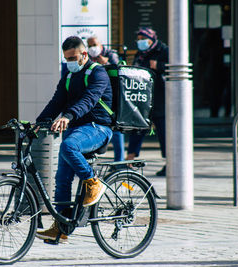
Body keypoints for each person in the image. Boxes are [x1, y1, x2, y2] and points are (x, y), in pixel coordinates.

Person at [35, 36, 113, 242]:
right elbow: (56, 101)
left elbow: (89, 100)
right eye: (66, 58)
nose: (69, 61)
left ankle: (92, 182)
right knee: (61, 180)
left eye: (72, 57)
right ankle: (61, 228)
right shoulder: (68, 76)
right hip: (77, 130)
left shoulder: (98, 73)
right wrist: (39, 122)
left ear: (84, 55)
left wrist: (68, 116)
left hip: (98, 128)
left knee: (69, 145)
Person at [126, 27, 168, 176]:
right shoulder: (141, 54)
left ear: (151, 39)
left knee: (164, 132)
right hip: (144, 99)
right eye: (138, 40)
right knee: (137, 128)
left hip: (162, 98)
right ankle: (129, 160)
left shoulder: (164, 50)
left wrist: (159, 66)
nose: (140, 42)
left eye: (142, 39)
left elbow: (175, 68)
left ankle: (169, 163)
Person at [87, 36, 125, 162]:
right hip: (98, 96)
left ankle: (119, 161)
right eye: (90, 45)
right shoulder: (89, 57)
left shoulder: (110, 54)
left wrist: (106, 64)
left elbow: (119, 72)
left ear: (100, 44)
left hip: (113, 95)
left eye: (94, 44)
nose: (92, 48)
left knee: (115, 126)